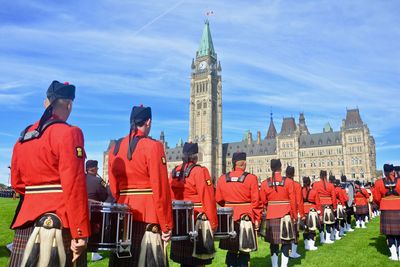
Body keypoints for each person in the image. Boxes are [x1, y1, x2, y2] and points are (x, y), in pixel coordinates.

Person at [9, 80, 90, 267]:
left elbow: (17, 183)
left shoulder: (23, 136)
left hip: (26, 220)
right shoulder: (70, 133)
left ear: (46, 102)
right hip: (60, 220)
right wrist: (80, 232)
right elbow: (74, 185)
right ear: (69, 104)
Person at [107, 105, 173, 267]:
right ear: (148, 122)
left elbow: (113, 187)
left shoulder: (114, 147)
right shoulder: (154, 146)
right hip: (148, 216)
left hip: (123, 215)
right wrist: (166, 225)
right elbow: (161, 188)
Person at [169, 142, 218, 266]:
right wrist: (213, 223)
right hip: (196, 220)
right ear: (195, 157)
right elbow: (208, 197)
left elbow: (170, 196)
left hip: (179, 220)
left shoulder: (175, 171)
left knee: (183, 260)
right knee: (198, 261)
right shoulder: (200, 171)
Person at [216, 152, 261, 267]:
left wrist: (228, 206)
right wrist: (257, 219)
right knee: (244, 249)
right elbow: (256, 202)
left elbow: (218, 199)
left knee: (231, 249)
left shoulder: (222, 179)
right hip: (245, 218)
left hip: (228, 218)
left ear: (233, 163)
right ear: (244, 163)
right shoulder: (251, 178)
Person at [260, 159, 296, 267]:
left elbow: (263, 201)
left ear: (271, 168)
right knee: (286, 242)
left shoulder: (265, 183)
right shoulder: (289, 182)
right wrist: (294, 216)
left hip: (271, 216)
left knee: (273, 243)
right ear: (281, 168)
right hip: (286, 215)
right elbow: (293, 200)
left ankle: (275, 265)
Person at [373, 164, 400, 261]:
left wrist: (384, 202)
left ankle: (394, 255)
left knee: (389, 233)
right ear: (393, 171)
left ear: (384, 172)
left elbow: (376, 198)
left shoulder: (378, 182)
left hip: (386, 209)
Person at [85, 159, 107, 262]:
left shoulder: (80, 178)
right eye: (97, 168)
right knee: (97, 228)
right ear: (94, 169)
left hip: (82, 209)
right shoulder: (98, 181)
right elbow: (104, 196)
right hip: (94, 210)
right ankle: (95, 252)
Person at [285, 166, 305, 258]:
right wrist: (301, 214)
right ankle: (293, 252)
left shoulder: (283, 183)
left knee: (285, 233)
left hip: (284, 212)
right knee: (295, 233)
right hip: (295, 211)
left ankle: (286, 252)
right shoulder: (297, 185)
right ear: (293, 174)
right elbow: (299, 201)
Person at [312, 170, 337, 244]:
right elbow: (334, 197)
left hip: (320, 204)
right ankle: (328, 239)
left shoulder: (315, 184)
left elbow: (313, 195)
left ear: (320, 176)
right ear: (326, 176)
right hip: (329, 205)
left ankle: (322, 239)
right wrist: (335, 207)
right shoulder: (330, 185)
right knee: (329, 223)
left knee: (321, 223)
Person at [301, 176, 321, 251]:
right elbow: (318, 202)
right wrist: (319, 212)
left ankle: (306, 245)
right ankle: (311, 245)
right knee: (312, 229)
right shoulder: (314, 191)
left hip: (303, 210)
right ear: (310, 183)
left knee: (306, 230)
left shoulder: (301, 191)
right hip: (311, 210)